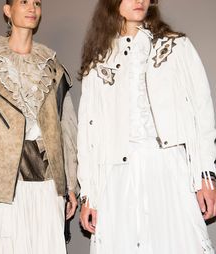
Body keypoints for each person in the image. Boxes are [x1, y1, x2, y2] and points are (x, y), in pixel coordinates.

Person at [78, 0, 216, 253]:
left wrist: (205, 176)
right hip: (117, 175)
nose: (139, 0)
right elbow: (88, 131)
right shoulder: (99, 61)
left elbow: (202, 112)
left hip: (167, 168)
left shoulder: (176, 46)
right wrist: (89, 194)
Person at [0, 0, 78, 253]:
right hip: (2, 187)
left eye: (37, 3)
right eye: (24, 2)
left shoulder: (53, 69)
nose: (32, 8)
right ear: (7, 10)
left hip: (47, 185)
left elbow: (67, 130)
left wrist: (71, 185)